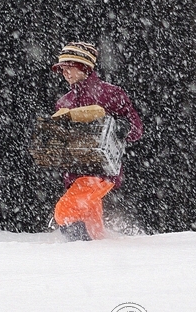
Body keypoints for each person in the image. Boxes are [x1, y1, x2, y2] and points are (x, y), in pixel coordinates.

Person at [51, 42, 143, 241]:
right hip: (74, 173)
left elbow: (136, 128)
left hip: (101, 171)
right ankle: (98, 256)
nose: (65, 73)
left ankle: (81, 252)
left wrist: (123, 128)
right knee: (92, 228)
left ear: (84, 66)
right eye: (62, 69)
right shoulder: (64, 102)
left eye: (69, 67)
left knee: (65, 211)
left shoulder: (110, 94)